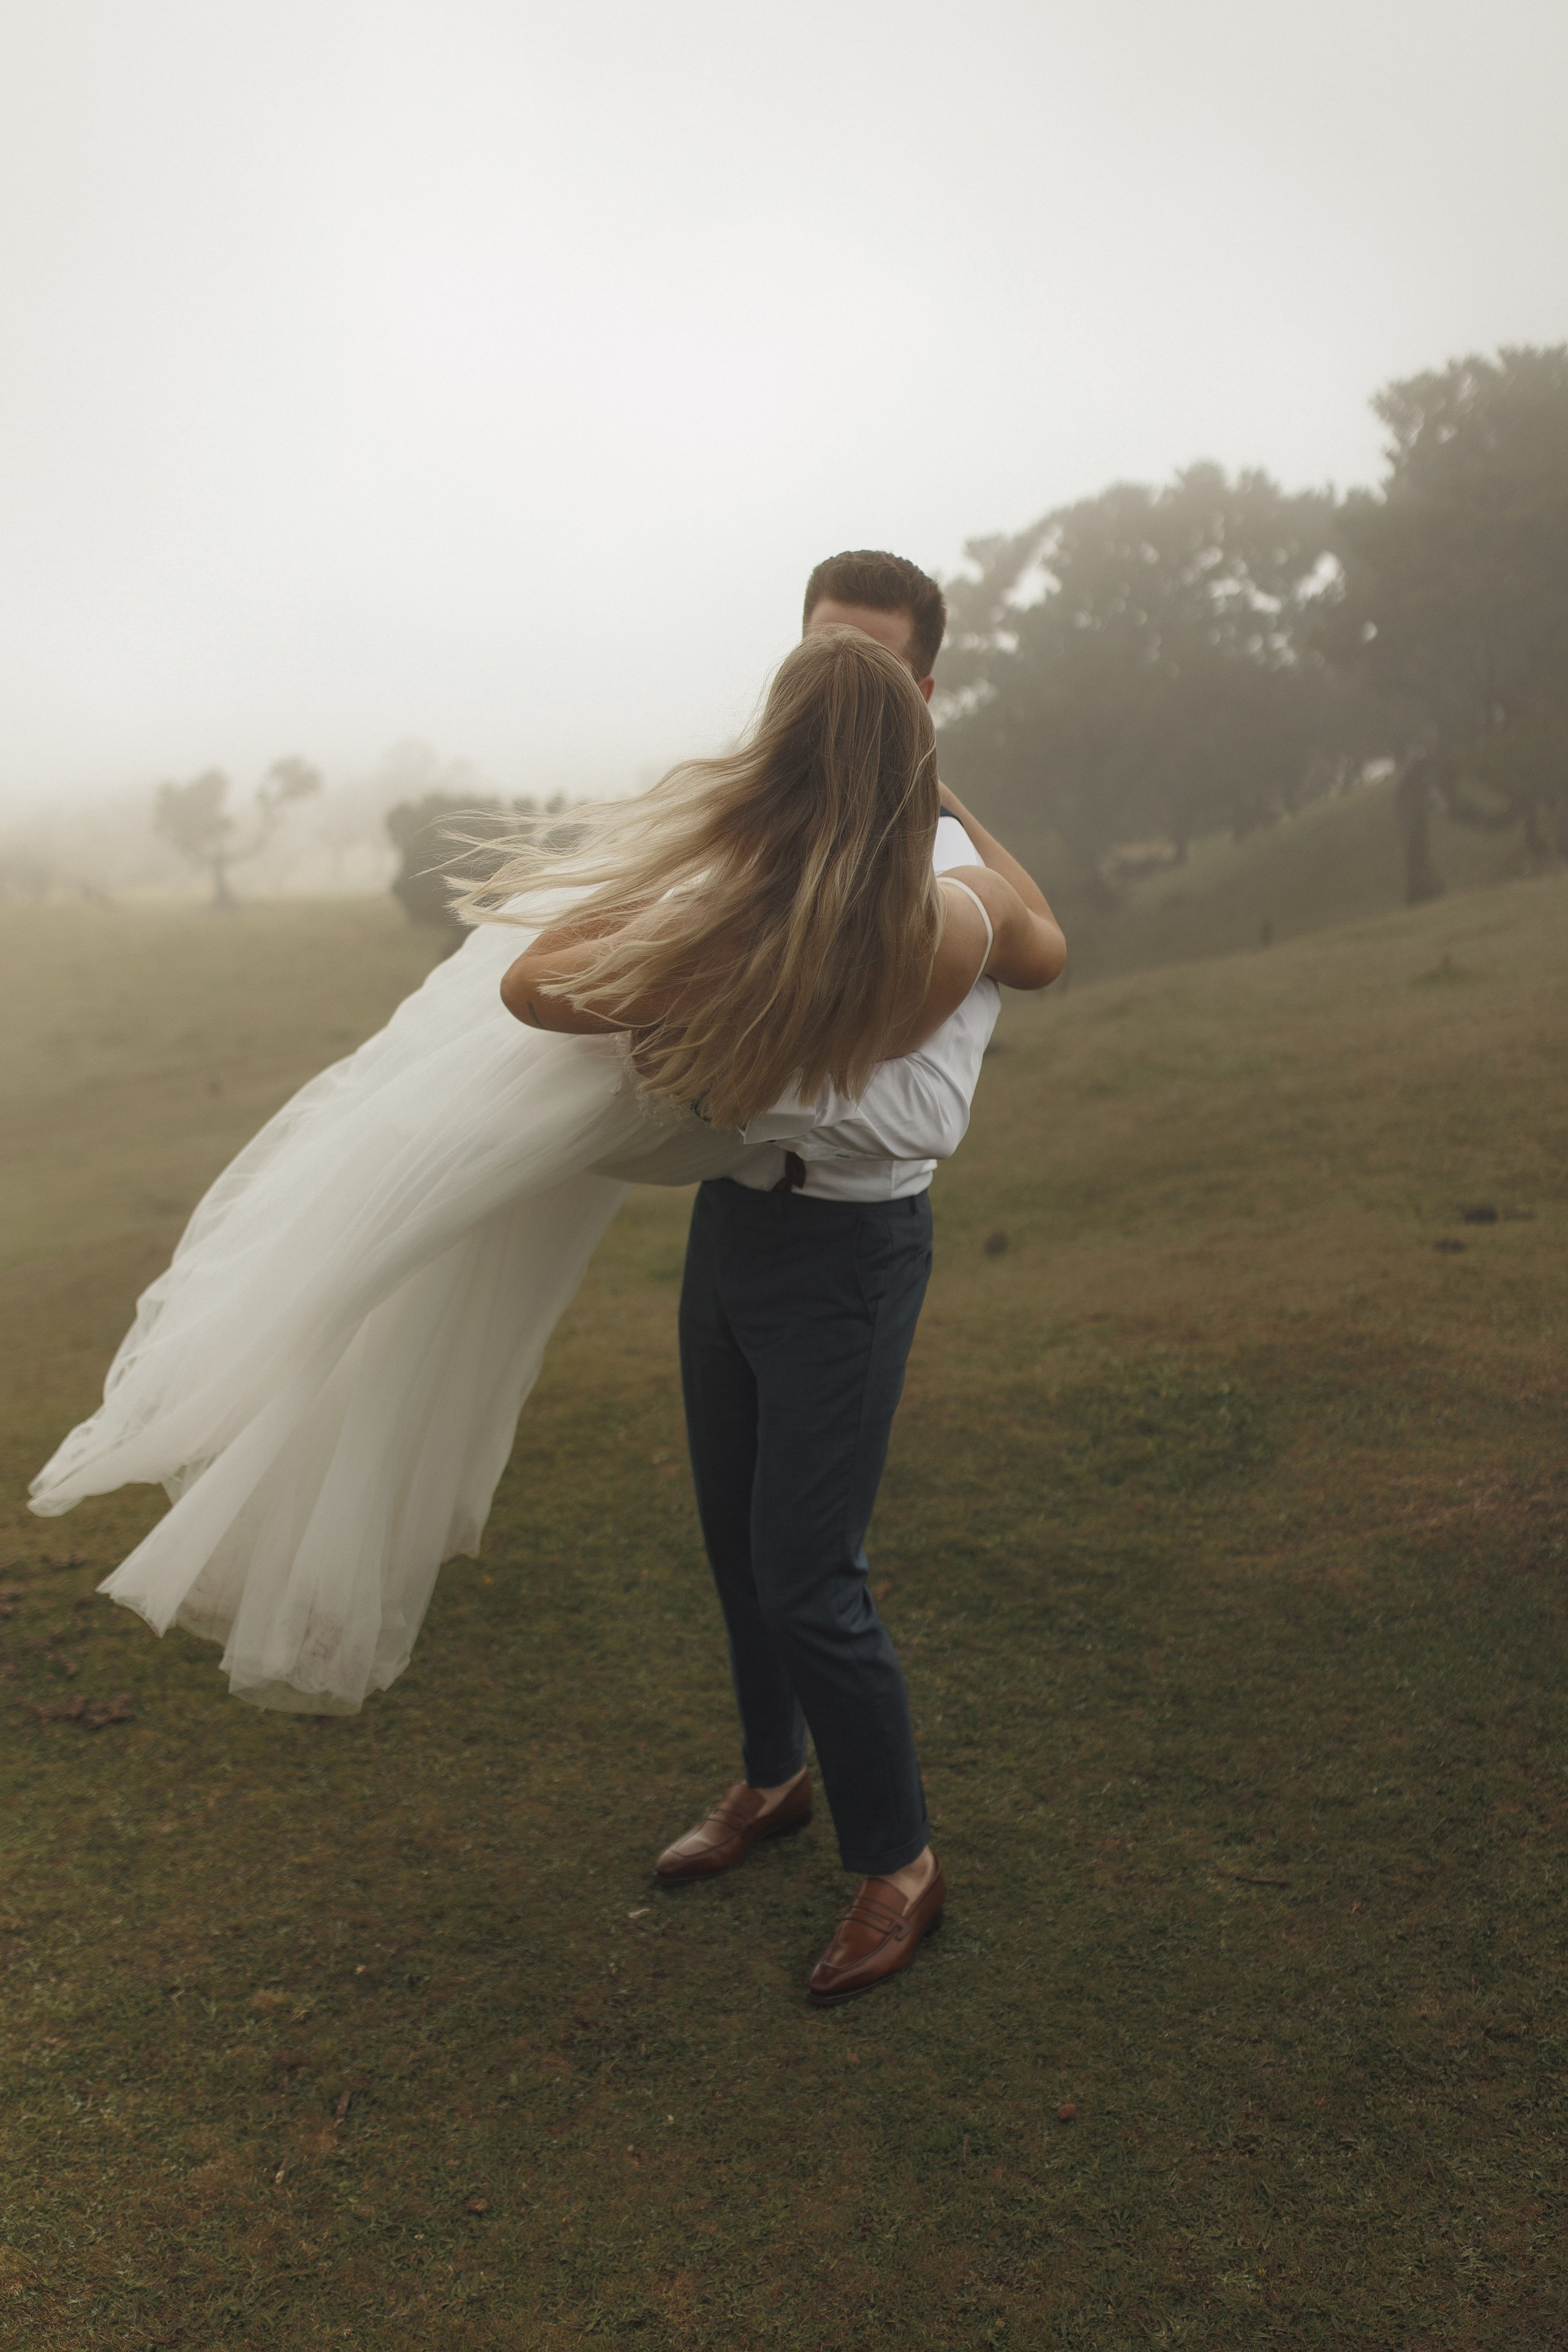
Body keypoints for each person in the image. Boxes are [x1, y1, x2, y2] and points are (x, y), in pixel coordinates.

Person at [499, 551, 1065, 2002]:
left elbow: (1032, 954)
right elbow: (539, 982)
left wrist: (940, 809)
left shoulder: (948, 887)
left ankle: (899, 1862)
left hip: (850, 1251)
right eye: (817, 659)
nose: (828, 690)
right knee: (732, 1543)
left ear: (916, 695)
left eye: (862, 672)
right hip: (736, 1229)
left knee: (809, 1576)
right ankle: (773, 1777)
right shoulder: (760, 861)